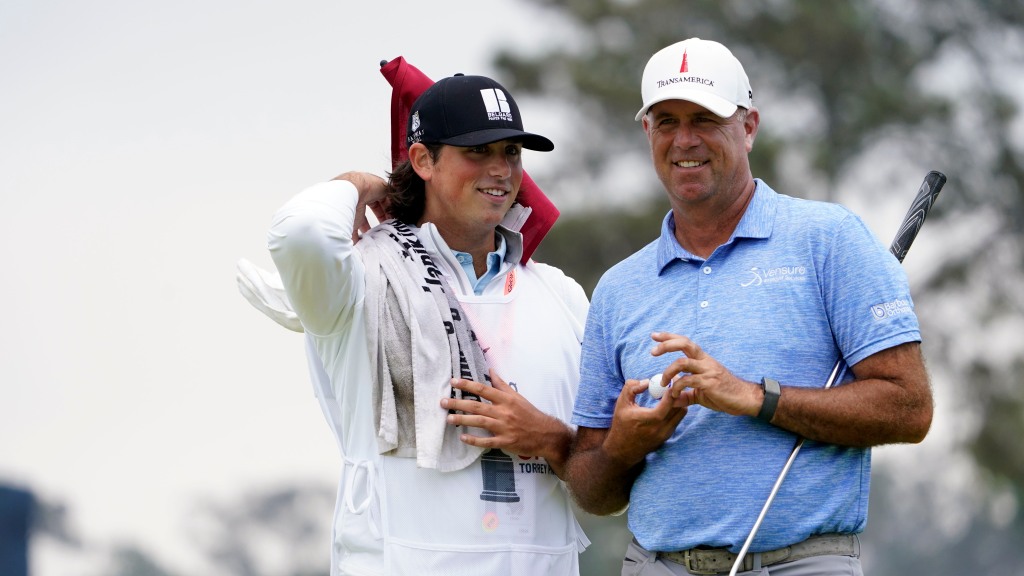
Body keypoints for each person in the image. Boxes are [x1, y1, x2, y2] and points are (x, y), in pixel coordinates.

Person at [564, 38, 934, 576]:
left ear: (749, 126)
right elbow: (592, 492)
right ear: (648, 132)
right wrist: (622, 448)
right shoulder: (619, 288)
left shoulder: (830, 238)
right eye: (666, 121)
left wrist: (751, 396)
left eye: (705, 119)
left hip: (804, 563)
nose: (684, 139)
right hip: (655, 566)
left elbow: (910, 408)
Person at [262, 72, 590, 576]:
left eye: (511, 153)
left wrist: (546, 436)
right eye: (477, 152)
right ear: (422, 160)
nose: (501, 170)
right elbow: (301, 231)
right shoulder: (359, 280)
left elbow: (600, 456)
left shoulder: (560, 294)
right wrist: (359, 184)